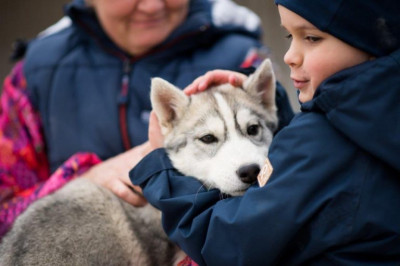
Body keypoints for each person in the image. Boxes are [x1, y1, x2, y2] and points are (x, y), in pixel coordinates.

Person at [130, 0, 400, 265]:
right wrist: (267, 109)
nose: (289, 56)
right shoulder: (371, 119)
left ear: (370, 39)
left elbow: (225, 245)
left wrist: (161, 169)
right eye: (289, 35)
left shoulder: (323, 140)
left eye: (312, 38)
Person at [0, 0, 295, 238]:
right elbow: (4, 212)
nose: (153, 6)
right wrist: (83, 181)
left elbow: (285, 194)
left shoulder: (242, 58)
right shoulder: (36, 73)